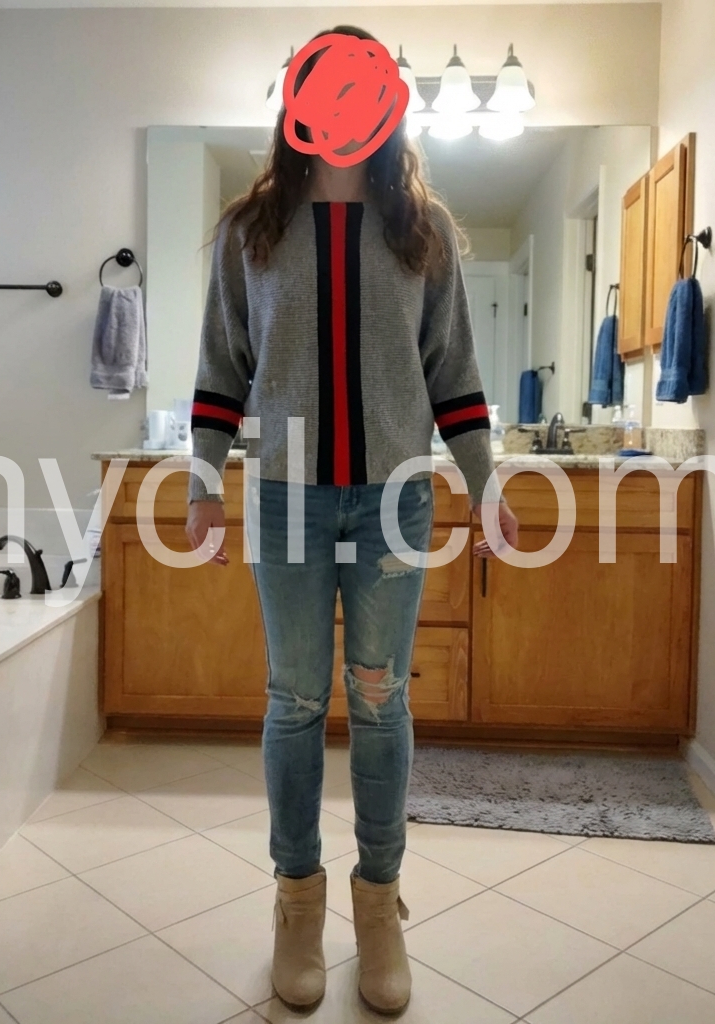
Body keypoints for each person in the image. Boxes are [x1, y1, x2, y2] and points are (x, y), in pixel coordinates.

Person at [185, 25, 519, 1016]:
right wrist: (201, 479)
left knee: (379, 701)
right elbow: (222, 367)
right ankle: (297, 900)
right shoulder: (252, 228)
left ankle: (379, 905)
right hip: (284, 495)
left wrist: (485, 481)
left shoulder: (421, 227)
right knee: (294, 701)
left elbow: (452, 372)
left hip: (394, 500)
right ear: (296, 101)